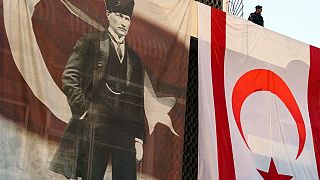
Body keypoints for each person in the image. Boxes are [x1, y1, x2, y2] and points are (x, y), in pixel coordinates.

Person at [49, 0, 146, 179]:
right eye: (119, 16)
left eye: (127, 18)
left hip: (125, 130)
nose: (124, 23)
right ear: (109, 15)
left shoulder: (134, 59)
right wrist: (86, 109)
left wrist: (138, 139)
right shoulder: (90, 43)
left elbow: (137, 101)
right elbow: (69, 78)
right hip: (96, 125)